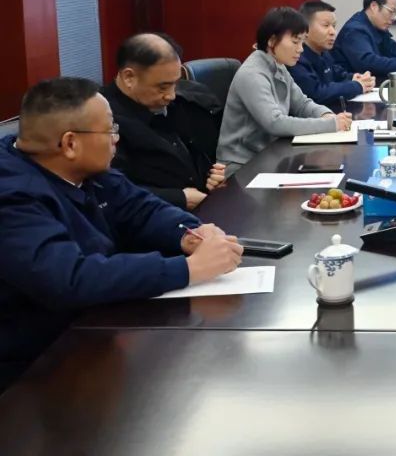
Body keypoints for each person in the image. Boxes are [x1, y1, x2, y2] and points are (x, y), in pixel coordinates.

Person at [0, 77, 243, 389]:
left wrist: (190, 234)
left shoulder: (81, 168)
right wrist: (187, 269)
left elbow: (141, 208)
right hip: (33, 367)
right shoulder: (12, 196)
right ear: (70, 144)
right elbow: (69, 279)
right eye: (110, 130)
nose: (117, 138)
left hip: (93, 328)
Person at [218, 7, 353, 176]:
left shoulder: (278, 65)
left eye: (302, 42)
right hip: (242, 165)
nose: (301, 49)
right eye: (295, 42)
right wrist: (330, 125)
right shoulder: (252, 74)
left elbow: (302, 104)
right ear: (272, 41)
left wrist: (326, 114)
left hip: (270, 155)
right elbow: (274, 123)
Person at [102, 33, 227, 211]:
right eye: (162, 87)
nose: (171, 95)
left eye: (175, 84)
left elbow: (198, 155)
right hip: (152, 215)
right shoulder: (102, 120)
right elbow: (109, 190)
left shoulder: (183, 103)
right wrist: (179, 198)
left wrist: (211, 176)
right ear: (129, 77)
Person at [289, 0, 376, 108]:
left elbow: (337, 74)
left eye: (334, 26)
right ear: (305, 29)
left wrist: (356, 78)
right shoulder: (295, 57)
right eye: (326, 25)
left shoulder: (324, 53)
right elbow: (316, 93)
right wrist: (357, 86)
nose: (332, 32)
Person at [332, 0, 396, 80]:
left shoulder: (377, 26)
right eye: (391, 11)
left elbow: (392, 49)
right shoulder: (355, 30)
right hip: (352, 85)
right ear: (374, 6)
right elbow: (367, 63)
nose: (393, 18)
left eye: (395, 13)